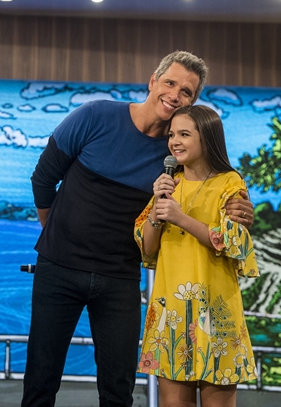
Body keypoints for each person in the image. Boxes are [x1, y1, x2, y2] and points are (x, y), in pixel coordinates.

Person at [24, 51, 254, 407]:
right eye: (170, 83)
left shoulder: (176, 155)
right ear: (152, 82)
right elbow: (43, 178)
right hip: (59, 269)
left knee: (118, 390)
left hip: (119, 280)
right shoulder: (95, 115)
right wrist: (53, 232)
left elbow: (212, 180)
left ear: (194, 101)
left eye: (187, 92)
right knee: (41, 381)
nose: (176, 95)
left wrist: (240, 205)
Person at [135, 105, 259, 407]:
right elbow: (147, 248)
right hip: (171, 314)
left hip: (216, 314)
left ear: (207, 138)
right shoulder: (166, 185)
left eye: (184, 134)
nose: (174, 141)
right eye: (172, 134)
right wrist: (157, 211)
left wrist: (181, 218)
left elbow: (233, 244)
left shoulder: (230, 183)